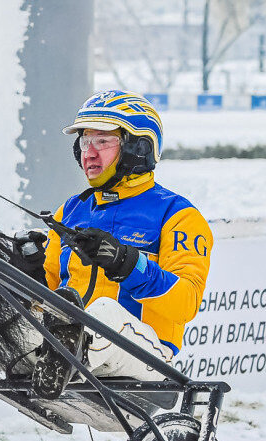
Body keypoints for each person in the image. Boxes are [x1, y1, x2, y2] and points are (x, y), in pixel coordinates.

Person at [13, 90, 213, 396]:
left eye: (102, 142)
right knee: (9, 308)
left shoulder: (177, 215)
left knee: (104, 310)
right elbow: (50, 296)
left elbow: (186, 303)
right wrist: (29, 273)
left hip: (146, 357)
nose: (89, 153)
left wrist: (127, 264)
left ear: (138, 147)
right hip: (73, 353)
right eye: (84, 142)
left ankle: (66, 356)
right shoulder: (70, 210)